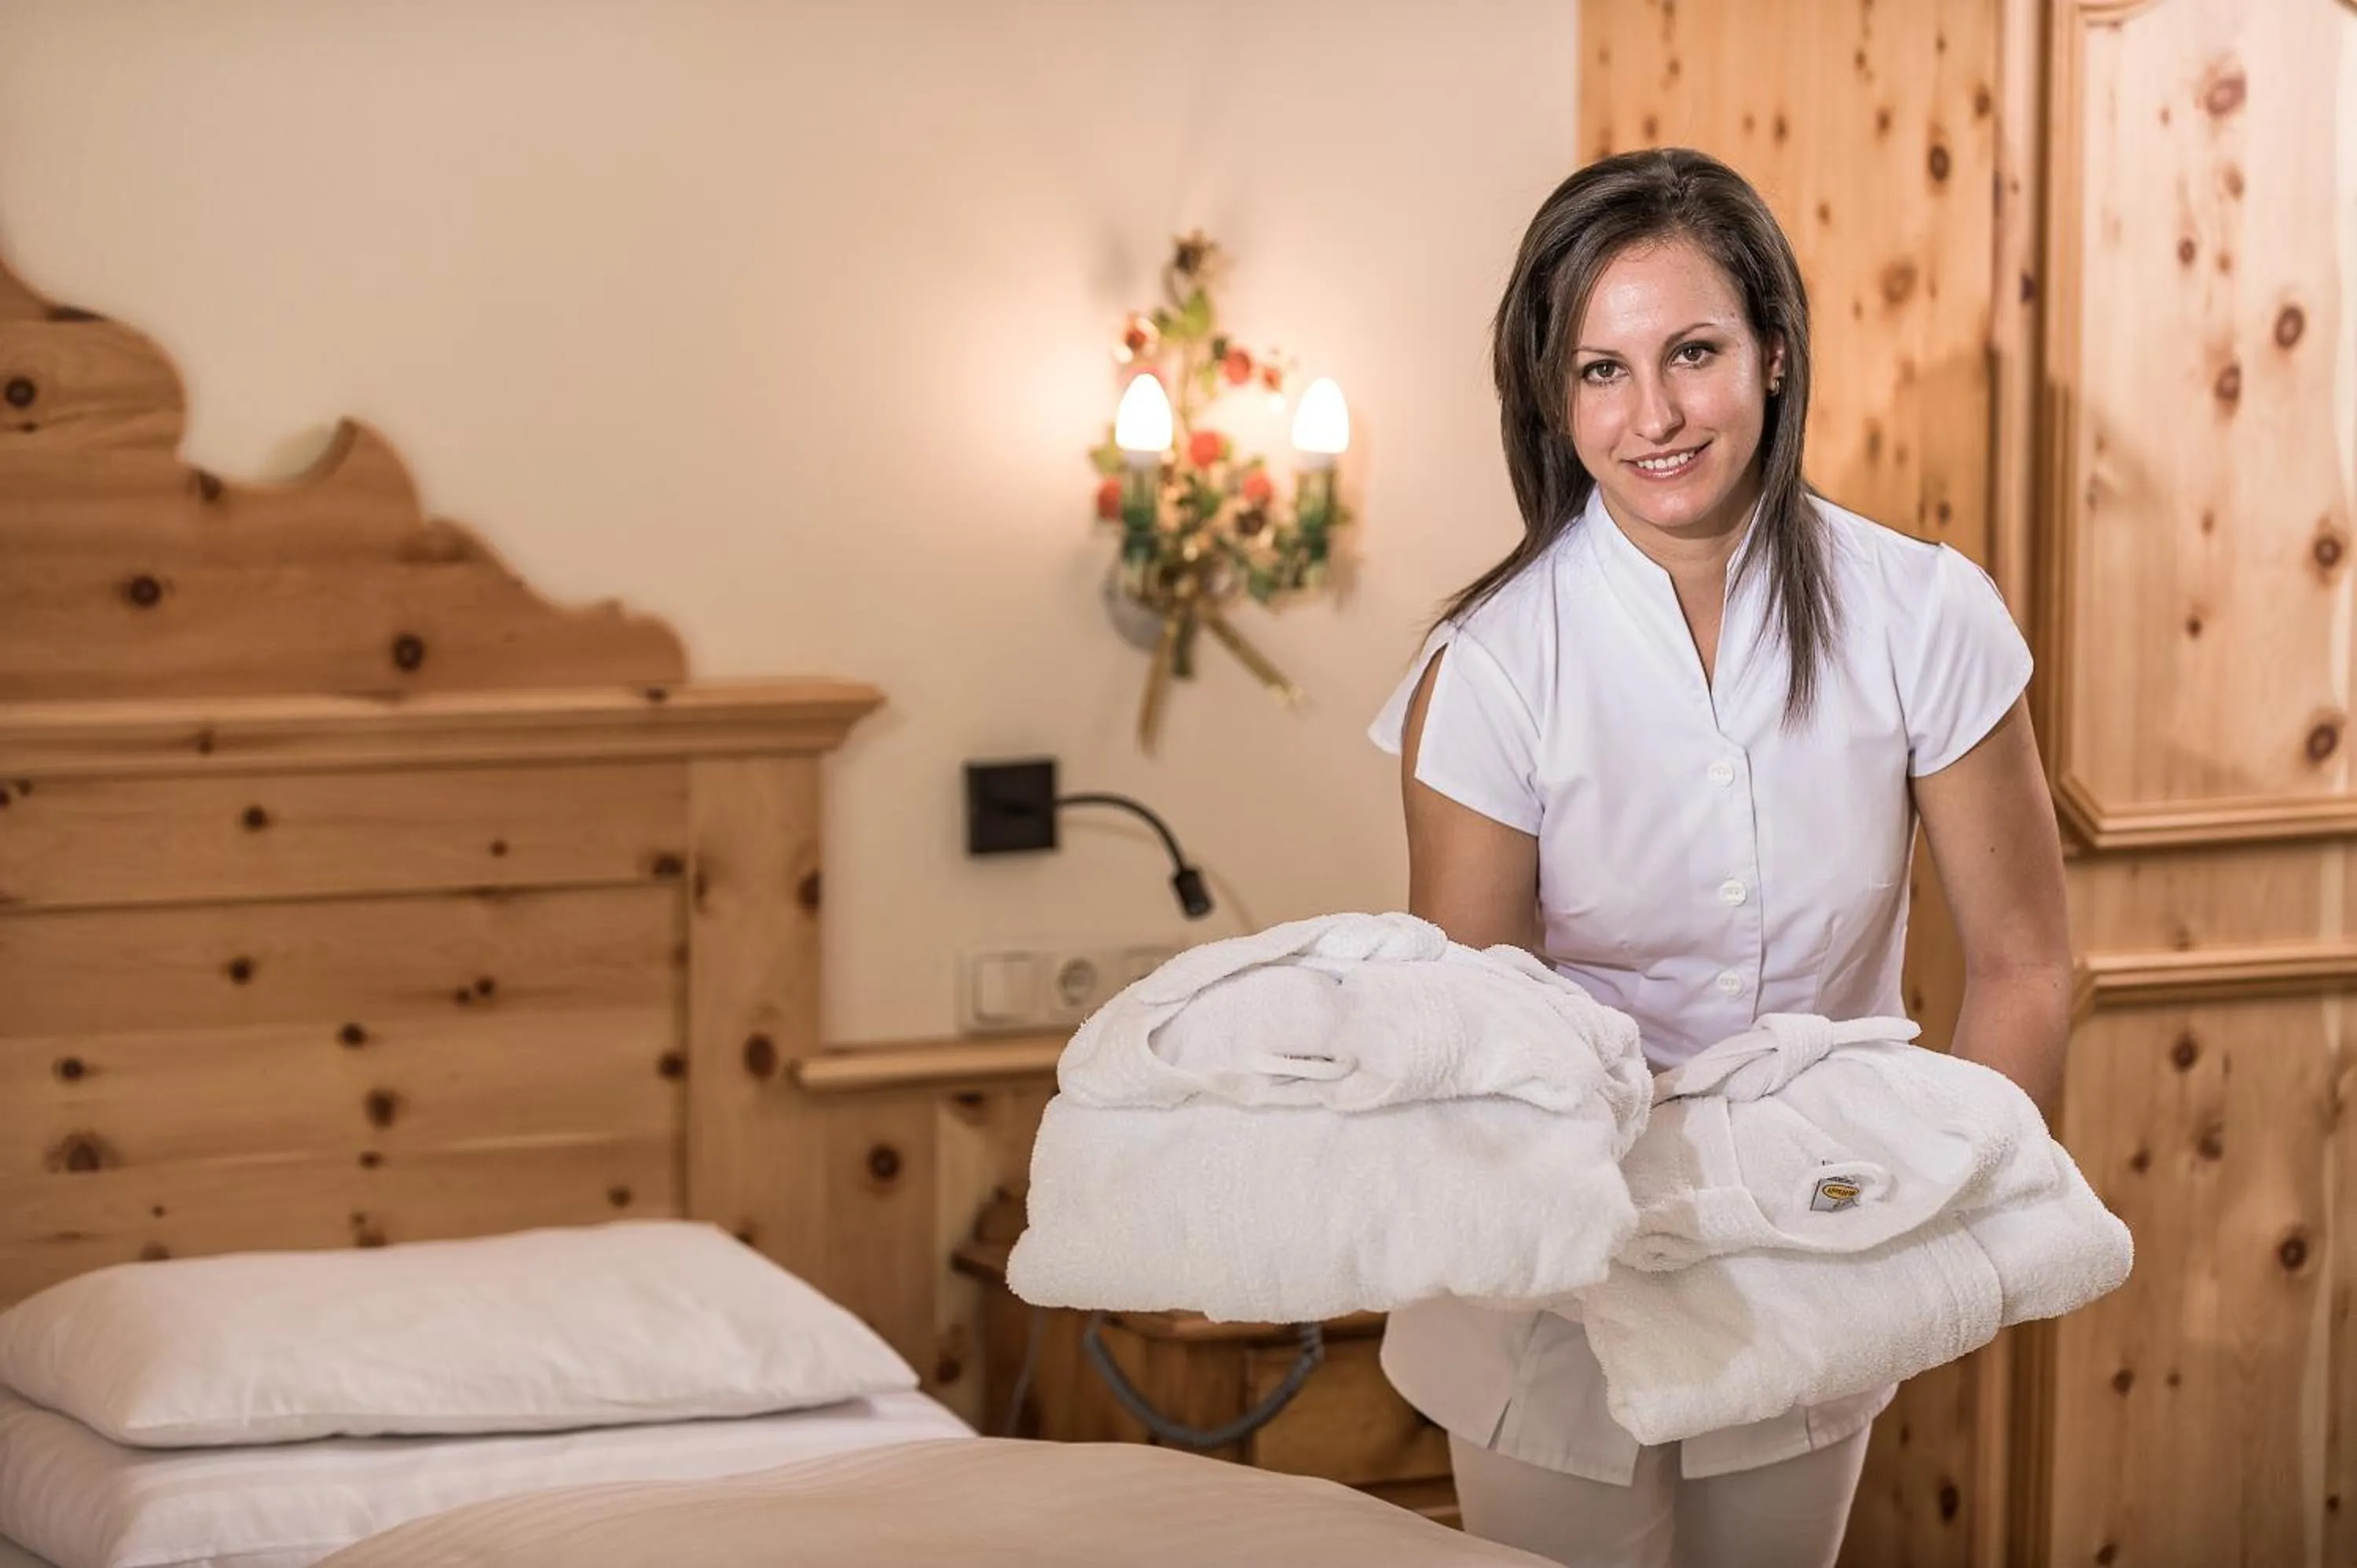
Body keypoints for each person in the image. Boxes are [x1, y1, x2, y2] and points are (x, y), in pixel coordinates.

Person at [1365, 147, 2073, 1568]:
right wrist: (1593, 1267)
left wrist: (1951, 1237)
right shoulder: (1494, 670)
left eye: (1692, 351)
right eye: (1601, 371)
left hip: (1814, 1245)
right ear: (1553, 403)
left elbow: (2029, 965)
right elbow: (1482, 1052)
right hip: (1551, 1270)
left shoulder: (1923, 617)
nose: (1656, 414)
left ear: (1774, 354)